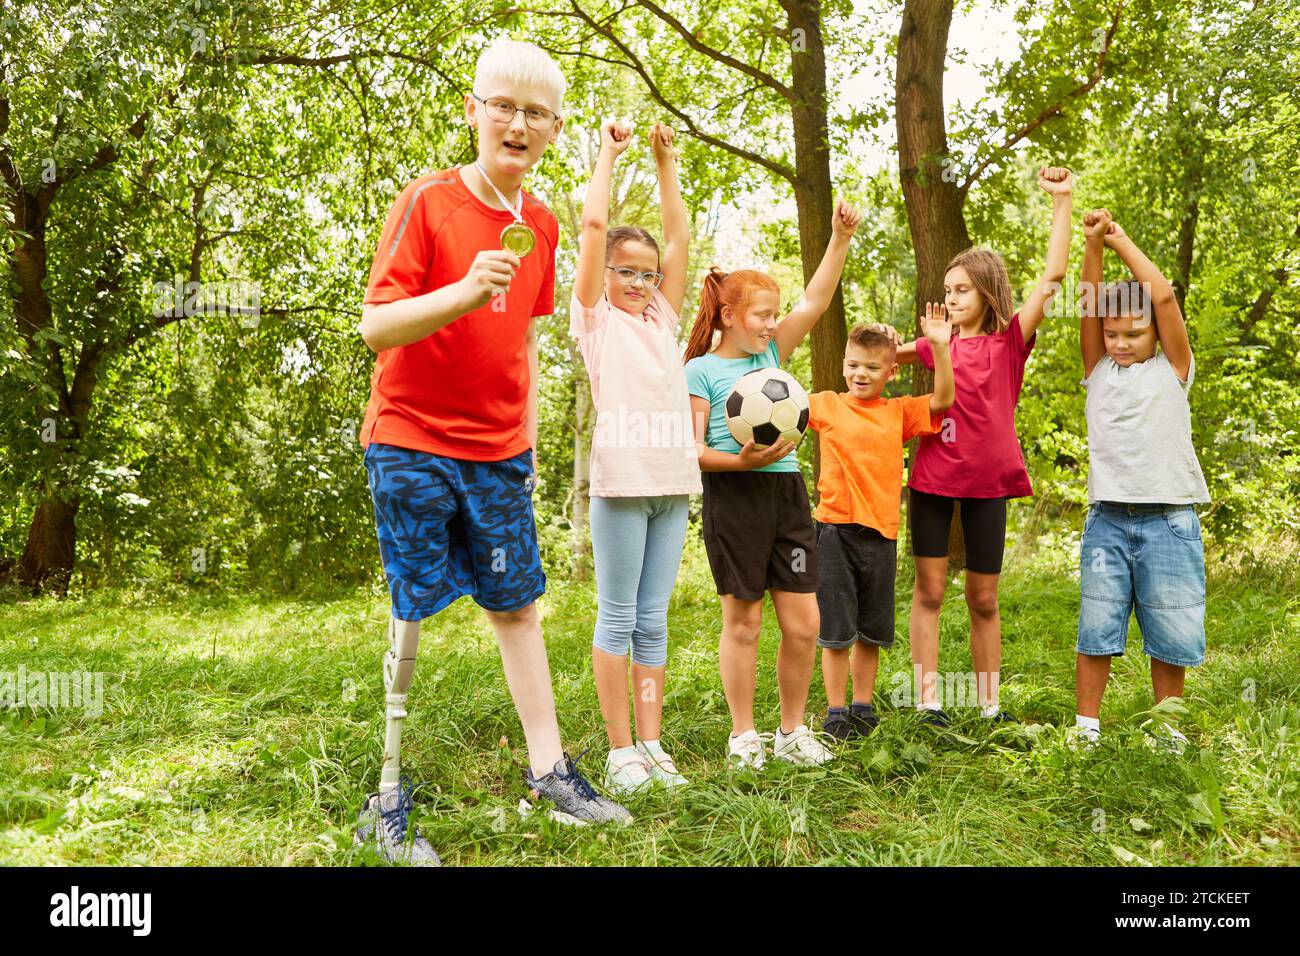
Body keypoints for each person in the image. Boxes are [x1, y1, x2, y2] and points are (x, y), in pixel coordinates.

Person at [354, 39, 628, 865]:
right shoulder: (428, 203)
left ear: (551, 130)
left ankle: (550, 773)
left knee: (516, 605)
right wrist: (464, 289)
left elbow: (523, 341)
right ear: (473, 111)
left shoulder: (540, 222)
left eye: (534, 112)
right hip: (410, 441)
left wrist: (528, 439)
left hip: (500, 454)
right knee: (412, 608)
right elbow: (376, 326)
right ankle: (389, 796)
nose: (516, 122)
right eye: (501, 105)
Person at [684, 200, 862, 768]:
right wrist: (740, 463)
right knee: (744, 621)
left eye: (773, 314)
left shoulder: (773, 352)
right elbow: (693, 451)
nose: (769, 323)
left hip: (786, 494)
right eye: (760, 314)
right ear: (729, 315)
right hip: (734, 496)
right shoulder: (700, 372)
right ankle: (743, 736)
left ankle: (790, 731)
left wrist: (837, 239)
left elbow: (817, 300)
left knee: (805, 621)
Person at [895, 166, 1075, 726]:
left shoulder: (1010, 341)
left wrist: (1062, 201)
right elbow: (877, 358)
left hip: (988, 482)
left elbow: (1053, 277)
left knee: (983, 597)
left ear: (986, 290)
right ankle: (927, 703)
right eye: (946, 291)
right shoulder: (933, 343)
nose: (950, 299)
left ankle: (988, 704)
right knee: (928, 591)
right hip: (932, 479)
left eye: (961, 289)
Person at [570, 119, 701, 793]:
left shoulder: (661, 320)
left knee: (653, 620)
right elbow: (594, 229)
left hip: (671, 487)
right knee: (617, 616)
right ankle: (620, 751)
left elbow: (678, 237)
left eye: (649, 276)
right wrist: (610, 154)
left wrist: (666, 162)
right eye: (628, 272)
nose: (641, 283)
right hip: (621, 486)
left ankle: (651, 744)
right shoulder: (597, 320)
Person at [1071, 207, 1210, 752]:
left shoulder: (1174, 369)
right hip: (1107, 519)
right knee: (1097, 625)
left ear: (1155, 330)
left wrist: (1120, 238)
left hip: (1171, 520)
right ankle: (1087, 729)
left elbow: (1167, 298)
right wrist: (1091, 246)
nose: (1121, 342)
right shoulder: (1097, 371)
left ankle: (1166, 731)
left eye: (1133, 332)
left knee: (1171, 631)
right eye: (1112, 333)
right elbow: (1087, 301)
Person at [809, 313, 953, 739]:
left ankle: (862, 706)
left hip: (881, 536)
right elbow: (776, 402)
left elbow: (944, 399)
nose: (860, 373)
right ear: (842, 365)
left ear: (891, 372)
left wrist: (940, 346)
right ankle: (836, 712)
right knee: (835, 631)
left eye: (872, 367)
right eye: (853, 364)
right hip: (834, 531)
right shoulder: (828, 404)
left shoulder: (898, 412)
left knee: (871, 630)